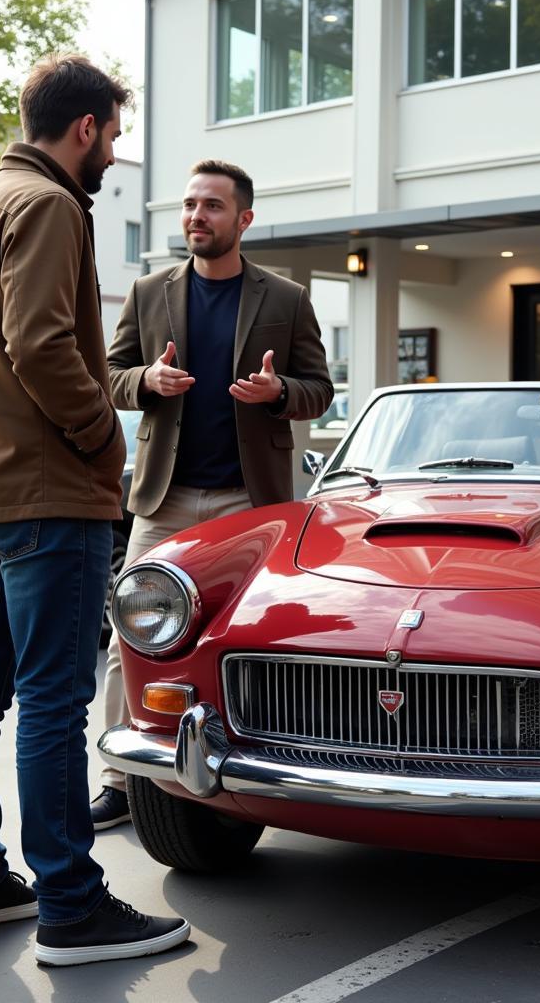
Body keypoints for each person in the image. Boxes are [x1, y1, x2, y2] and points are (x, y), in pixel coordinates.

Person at [0, 55, 189, 967]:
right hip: (48, 495)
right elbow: (39, 345)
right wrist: (97, 440)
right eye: (113, 135)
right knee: (49, 700)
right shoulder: (46, 207)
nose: (114, 152)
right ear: (83, 127)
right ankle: (71, 906)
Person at [92, 159, 333, 829]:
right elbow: (109, 375)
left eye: (214, 206)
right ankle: (122, 778)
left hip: (248, 505)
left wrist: (278, 393)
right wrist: (148, 381)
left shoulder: (284, 299)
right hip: (162, 500)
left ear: (243, 219)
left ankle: (250, 769)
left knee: (246, 639)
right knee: (130, 639)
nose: (197, 216)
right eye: (191, 205)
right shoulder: (149, 292)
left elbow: (320, 386)